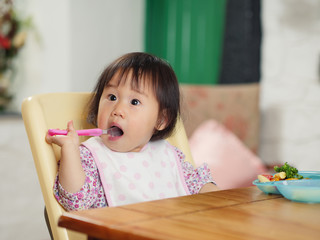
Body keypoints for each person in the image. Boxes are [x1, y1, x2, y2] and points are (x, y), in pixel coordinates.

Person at [46, 52, 218, 211]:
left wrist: (220, 199)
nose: (118, 109)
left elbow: (198, 186)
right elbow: (75, 202)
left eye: (134, 102)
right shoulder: (91, 156)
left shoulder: (168, 155)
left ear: (161, 120)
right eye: (112, 97)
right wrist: (70, 150)